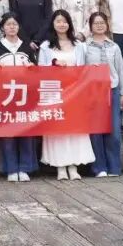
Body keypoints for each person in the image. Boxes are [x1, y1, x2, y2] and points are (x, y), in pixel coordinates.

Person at [38, 10, 95, 180]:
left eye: (64, 21)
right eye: (58, 21)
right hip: (54, 93)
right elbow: (40, 69)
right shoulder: (46, 46)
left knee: (75, 129)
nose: (61, 24)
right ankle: (60, 167)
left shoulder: (79, 45)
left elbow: (84, 68)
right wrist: (54, 64)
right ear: (53, 24)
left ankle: (73, 166)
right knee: (57, 130)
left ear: (69, 24)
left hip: (74, 93)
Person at [0, 12, 38, 181]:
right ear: (2, 28)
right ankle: (11, 169)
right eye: (8, 24)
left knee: (26, 132)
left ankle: (25, 168)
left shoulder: (26, 47)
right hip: (6, 97)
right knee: (8, 133)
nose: (12, 27)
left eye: (15, 24)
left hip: (25, 96)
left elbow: (36, 71)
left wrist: (32, 67)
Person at [86, 12, 123, 178]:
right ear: (90, 26)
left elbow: (120, 70)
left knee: (114, 130)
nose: (99, 25)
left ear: (107, 25)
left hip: (112, 88)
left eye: (102, 22)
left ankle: (114, 167)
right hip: (93, 91)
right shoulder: (84, 47)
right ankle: (99, 167)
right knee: (96, 130)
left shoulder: (114, 46)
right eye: (96, 23)